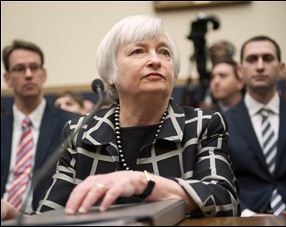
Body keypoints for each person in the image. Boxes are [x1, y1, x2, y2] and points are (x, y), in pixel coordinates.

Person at [1, 15, 239, 220]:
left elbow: (225, 200)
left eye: (164, 52)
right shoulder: (81, 133)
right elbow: (50, 215)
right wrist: (15, 217)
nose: (155, 60)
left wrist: (142, 181)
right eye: (138, 51)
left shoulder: (201, 125)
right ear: (111, 73)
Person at [224, 36, 286, 216]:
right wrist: (245, 214)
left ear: (281, 69)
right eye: (251, 59)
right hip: (244, 218)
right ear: (240, 71)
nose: (259, 66)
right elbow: (219, 182)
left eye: (267, 58)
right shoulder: (222, 122)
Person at [1, 40, 78, 214]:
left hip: (44, 219)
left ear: (43, 74)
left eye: (34, 67)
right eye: (19, 69)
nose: (28, 74)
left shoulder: (72, 125)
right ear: (7, 79)